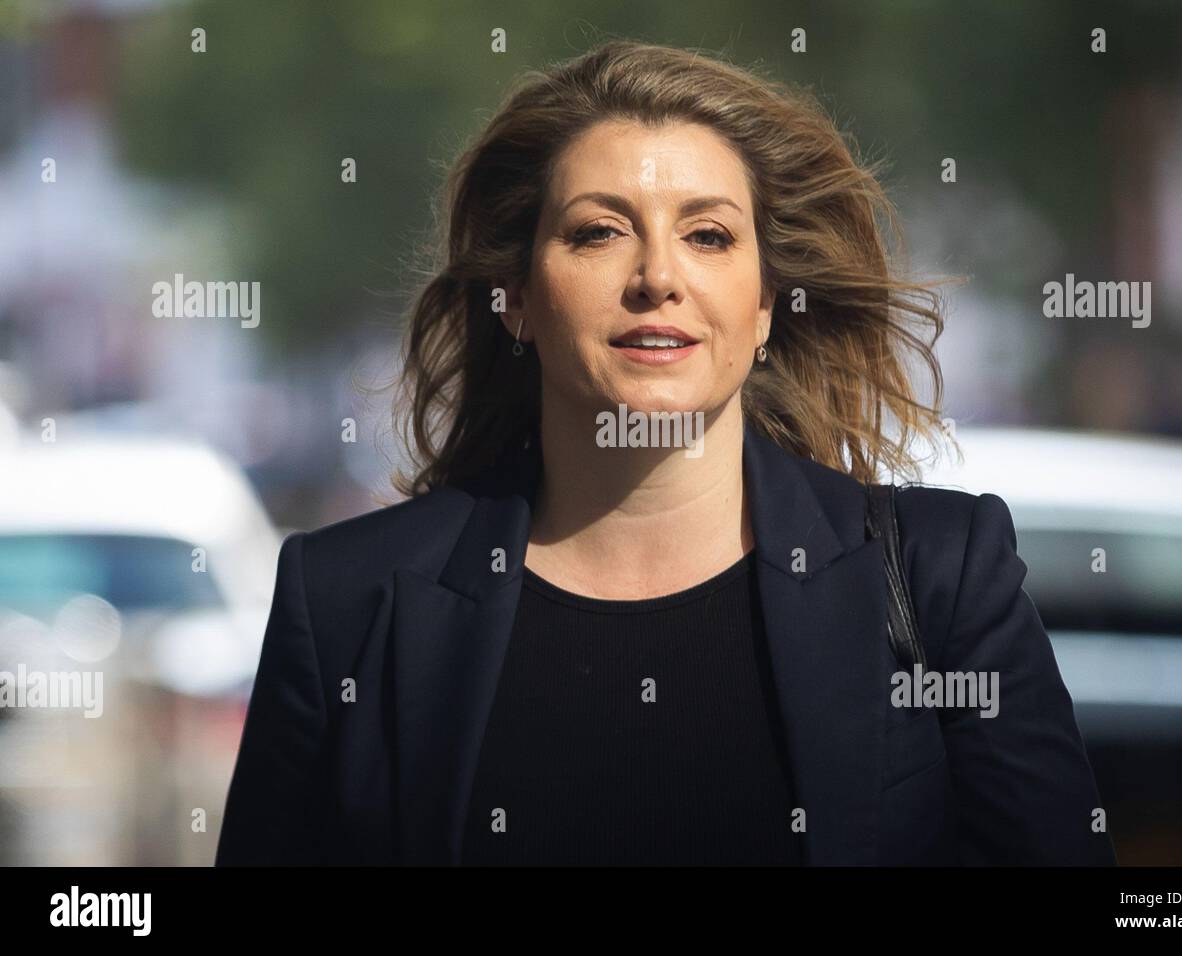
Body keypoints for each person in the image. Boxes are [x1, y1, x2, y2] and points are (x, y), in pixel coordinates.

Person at [215, 39, 1116, 866]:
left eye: (709, 235)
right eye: (599, 231)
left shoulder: (937, 578)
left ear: (765, 303)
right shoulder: (344, 605)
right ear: (517, 297)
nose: (657, 277)